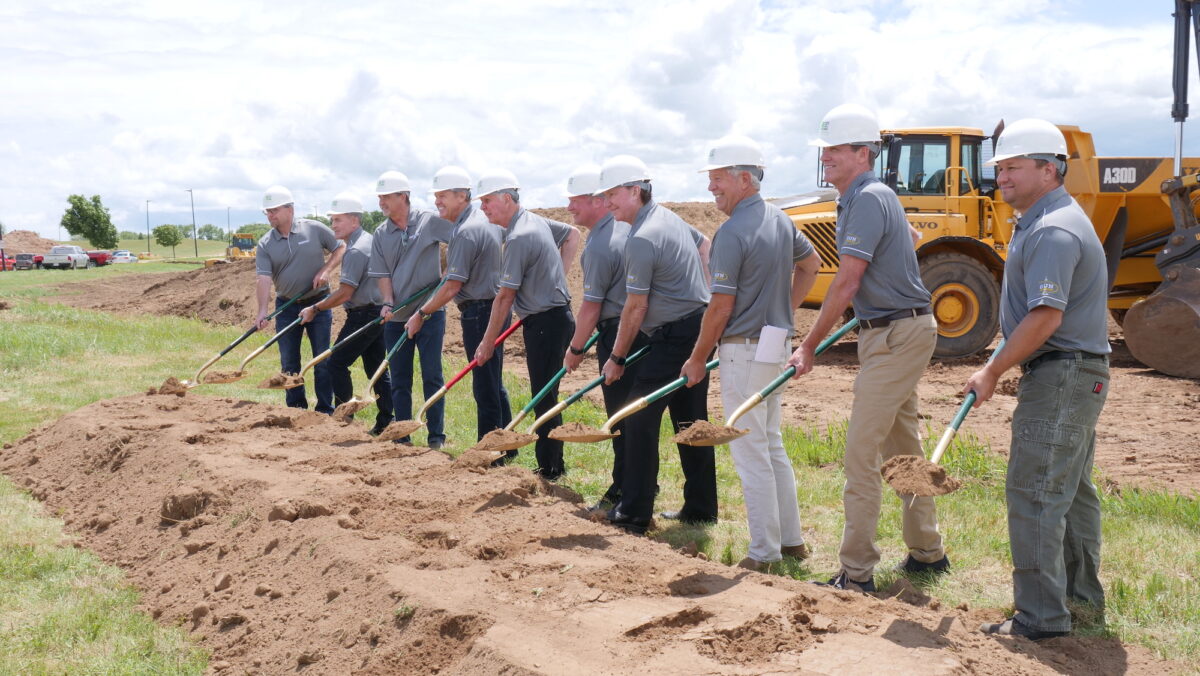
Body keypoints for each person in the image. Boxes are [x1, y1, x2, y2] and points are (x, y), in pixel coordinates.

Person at [786, 104, 946, 592]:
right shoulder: (866, 198)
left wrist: (808, 345)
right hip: (891, 332)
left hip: (897, 333)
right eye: (824, 150)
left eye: (835, 149)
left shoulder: (869, 197)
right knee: (903, 447)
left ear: (863, 152)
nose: (826, 157)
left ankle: (856, 573)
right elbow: (911, 236)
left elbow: (847, 282)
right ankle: (928, 553)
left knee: (861, 454)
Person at [966, 119, 1111, 640]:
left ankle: (1041, 618)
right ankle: (1078, 595)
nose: (1001, 177)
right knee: (1069, 489)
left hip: (1062, 374)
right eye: (999, 168)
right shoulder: (1045, 218)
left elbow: (1046, 316)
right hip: (1075, 373)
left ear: (1049, 170)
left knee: (1034, 492)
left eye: (1012, 167)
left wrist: (992, 369)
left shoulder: (1051, 229)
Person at [681, 135, 822, 571]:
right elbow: (811, 264)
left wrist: (697, 357)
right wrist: (782, 311)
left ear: (745, 179)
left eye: (718, 179)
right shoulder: (781, 220)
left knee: (749, 449)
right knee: (771, 443)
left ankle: (764, 552)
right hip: (773, 345)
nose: (711, 189)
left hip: (743, 350)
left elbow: (720, 306)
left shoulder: (730, 234)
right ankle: (792, 541)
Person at [597, 155, 718, 535]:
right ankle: (701, 508)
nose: (607, 202)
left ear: (636, 191)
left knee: (637, 416)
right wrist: (706, 294)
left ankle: (633, 512)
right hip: (695, 327)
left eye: (613, 194)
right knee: (690, 420)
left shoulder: (643, 238)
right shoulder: (667, 217)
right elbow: (705, 245)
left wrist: (617, 357)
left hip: (676, 335)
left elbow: (635, 306)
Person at [473, 169, 580, 479]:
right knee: (544, 393)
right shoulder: (533, 221)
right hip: (551, 317)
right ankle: (550, 463)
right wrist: (556, 276)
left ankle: (550, 469)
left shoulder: (519, 237)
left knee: (544, 396)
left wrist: (487, 342)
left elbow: (505, 297)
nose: (483, 208)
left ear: (507, 199)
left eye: (488, 201)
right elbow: (572, 234)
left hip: (548, 322)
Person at [405, 166, 513, 441]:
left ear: (462, 196)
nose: (436, 201)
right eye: (436, 196)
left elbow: (454, 285)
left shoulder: (465, 231)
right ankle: (506, 442)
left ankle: (490, 448)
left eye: (442, 196)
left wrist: (422, 312)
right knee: (493, 380)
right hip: (495, 307)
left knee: (485, 384)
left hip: (479, 311)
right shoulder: (483, 221)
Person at [561, 163, 642, 512]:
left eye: (575, 201)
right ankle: (634, 483)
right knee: (630, 417)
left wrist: (575, 348)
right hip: (634, 330)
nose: (568, 209)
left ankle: (625, 489)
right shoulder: (623, 230)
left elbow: (591, 308)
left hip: (617, 334)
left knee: (620, 416)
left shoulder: (600, 244)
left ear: (597, 201)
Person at [368, 171, 454, 448]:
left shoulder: (429, 221)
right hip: (397, 318)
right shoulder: (381, 234)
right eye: (379, 197)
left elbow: (461, 239)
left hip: (430, 313)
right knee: (400, 379)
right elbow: (382, 274)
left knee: (432, 375)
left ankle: (436, 437)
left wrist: (450, 272)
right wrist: (388, 302)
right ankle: (402, 434)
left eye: (386, 196)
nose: (381, 202)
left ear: (402, 196)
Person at [299, 191, 392, 435]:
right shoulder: (369, 240)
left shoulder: (356, 250)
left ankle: (344, 418)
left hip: (364, 314)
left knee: (335, 363)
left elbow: (345, 293)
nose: (333, 225)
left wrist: (315, 307)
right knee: (377, 369)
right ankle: (386, 421)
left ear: (354, 221)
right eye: (332, 220)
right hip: (378, 312)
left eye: (338, 220)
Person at [254, 184, 345, 414]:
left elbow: (340, 247)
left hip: (318, 304)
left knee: (321, 360)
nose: (270, 215)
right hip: (286, 307)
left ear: (290, 209)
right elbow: (263, 279)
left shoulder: (313, 229)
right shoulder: (265, 244)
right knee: (289, 363)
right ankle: (296, 409)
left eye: (274, 210)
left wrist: (326, 270)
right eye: (267, 211)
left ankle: (325, 409)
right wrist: (262, 311)